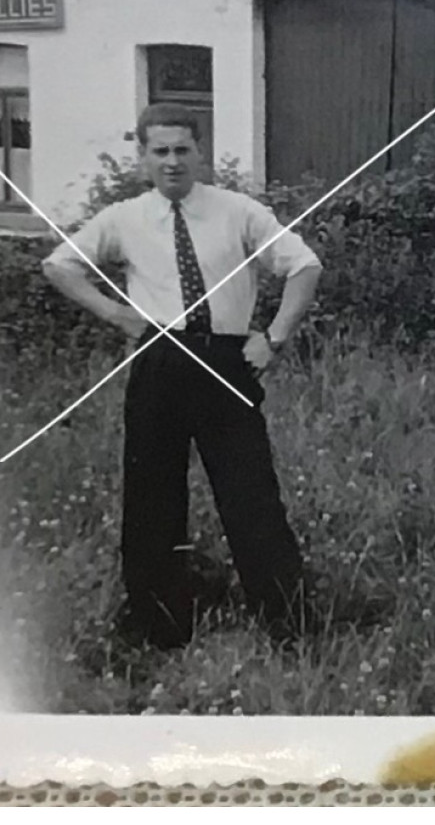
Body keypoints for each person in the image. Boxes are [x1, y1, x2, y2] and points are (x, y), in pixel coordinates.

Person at [42, 102, 323, 649]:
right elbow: (59, 264)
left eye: (182, 150)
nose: (172, 162)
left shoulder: (237, 211)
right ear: (143, 157)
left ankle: (290, 621)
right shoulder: (123, 218)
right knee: (152, 496)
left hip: (225, 360)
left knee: (250, 494)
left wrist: (276, 336)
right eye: (160, 151)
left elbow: (304, 264)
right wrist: (116, 314)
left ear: (201, 153)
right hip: (158, 360)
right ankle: (158, 625)